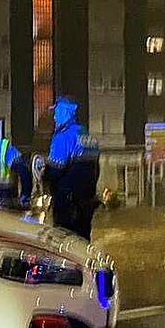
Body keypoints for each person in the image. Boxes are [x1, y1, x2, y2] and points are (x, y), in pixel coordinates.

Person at [43, 96, 100, 239]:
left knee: (63, 240)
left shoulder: (63, 137)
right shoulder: (86, 135)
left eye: (56, 113)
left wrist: (43, 175)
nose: (55, 118)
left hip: (67, 201)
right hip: (87, 200)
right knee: (83, 240)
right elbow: (96, 168)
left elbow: (56, 169)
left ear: (64, 113)